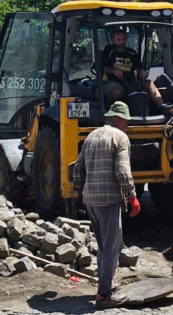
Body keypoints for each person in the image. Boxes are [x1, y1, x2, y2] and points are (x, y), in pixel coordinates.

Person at [72, 101, 139, 309]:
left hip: (90, 199)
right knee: (112, 247)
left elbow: (77, 167)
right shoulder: (120, 138)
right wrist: (132, 196)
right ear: (118, 119)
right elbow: (122, 171)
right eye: (125, 120)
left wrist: (77, 190)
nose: (127, 124)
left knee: (103, 245)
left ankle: (105, 285)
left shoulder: (91, 136)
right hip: (109, 199)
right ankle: (104, 295)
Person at [100, 27, 173, 113]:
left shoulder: (131, 53)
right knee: (117, 92)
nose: (121, 41)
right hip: (112, 82)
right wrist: (113, 70)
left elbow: (139, 66)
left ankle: (162, 106)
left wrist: (142, 71)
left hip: (130, 82)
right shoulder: (108, 51)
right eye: (118, 39)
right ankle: (108, 112)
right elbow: (103, 68)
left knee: (148, 83)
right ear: (113, 40)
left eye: (123, 39)